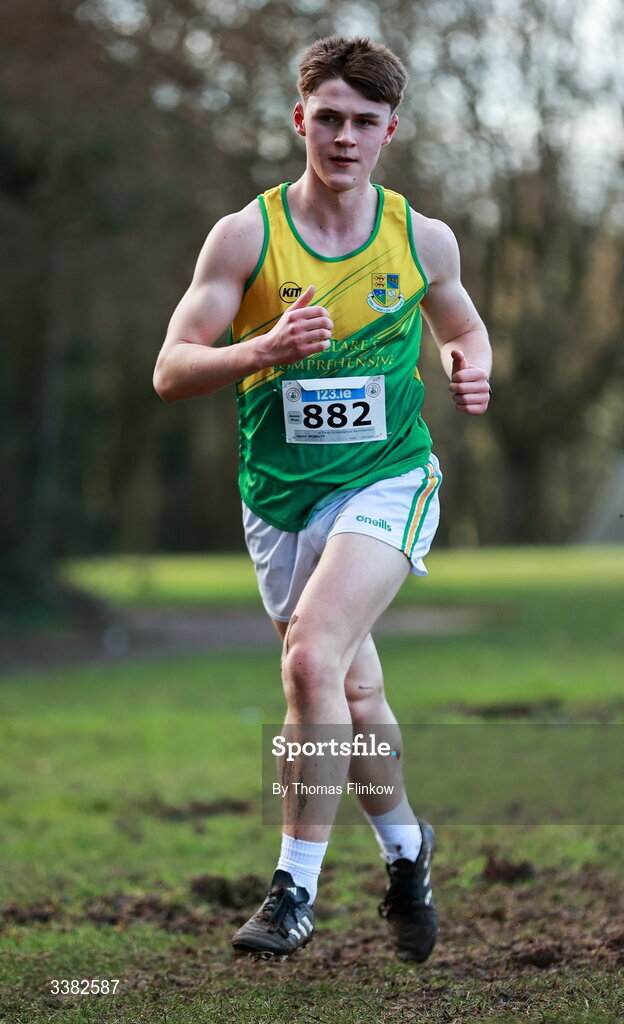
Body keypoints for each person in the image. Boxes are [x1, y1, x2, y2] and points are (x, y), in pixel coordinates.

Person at [153, 36, 492, 963]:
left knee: (309, 661)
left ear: (390, 132)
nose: (345, 137)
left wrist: (471, 369)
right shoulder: (245, 236)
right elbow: (172, 369)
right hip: (281, 499)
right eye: (329, 118)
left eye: (364, 122)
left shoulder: (422, 237)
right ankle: (407, 849)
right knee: (351, 686)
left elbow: (460, 322)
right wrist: (258, 351)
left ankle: (292, 888)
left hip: (390, 478)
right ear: (302, 119)